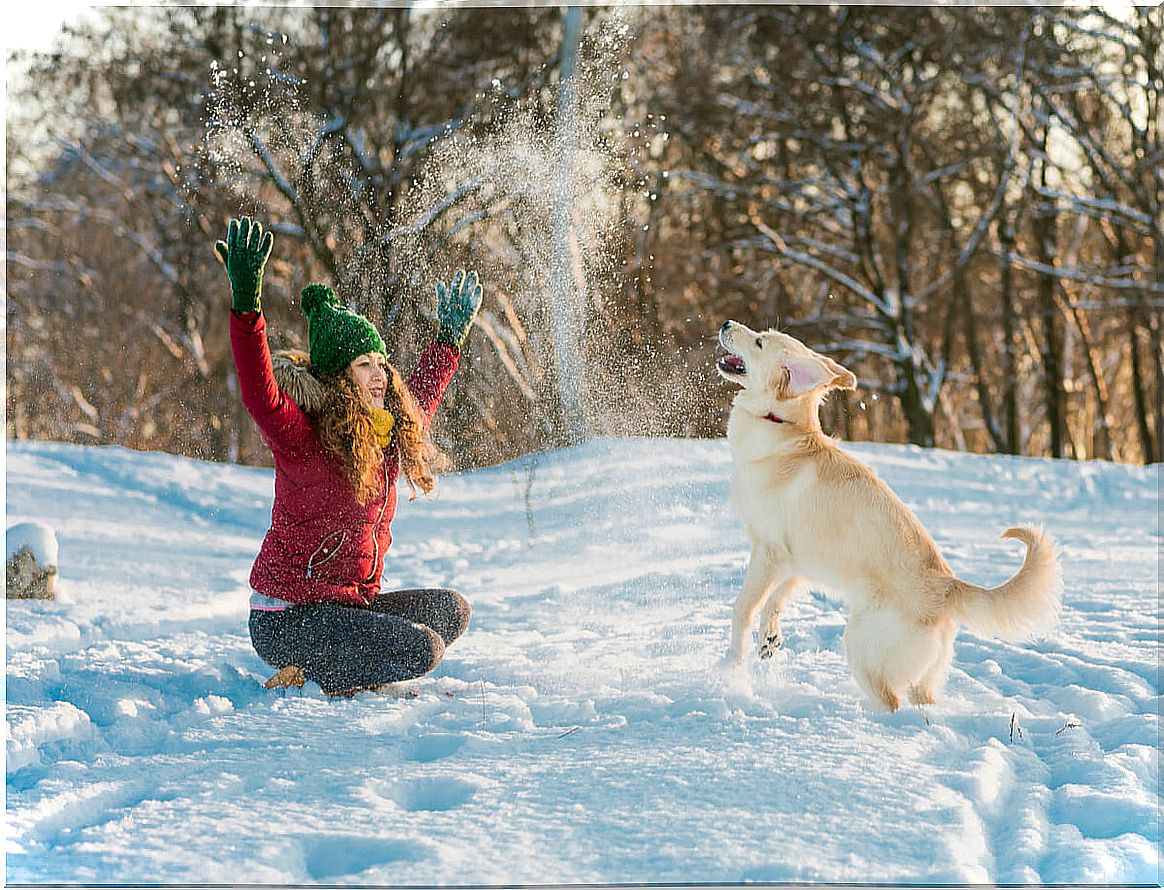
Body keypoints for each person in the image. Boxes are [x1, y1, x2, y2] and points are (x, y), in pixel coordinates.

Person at [215, 216, 483, 697]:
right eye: (365, 365)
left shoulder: (384, 434)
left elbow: (420, 401)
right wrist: (246, 308)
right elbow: (260, 393)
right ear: (341, 376)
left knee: (450, 612)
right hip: (287, 618)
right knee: (421, 650)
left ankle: (339, 667)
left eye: (382, 362)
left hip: (346, 607)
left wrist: (447, 342)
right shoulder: (305, 438)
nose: (380, 374)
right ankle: (315, 678)